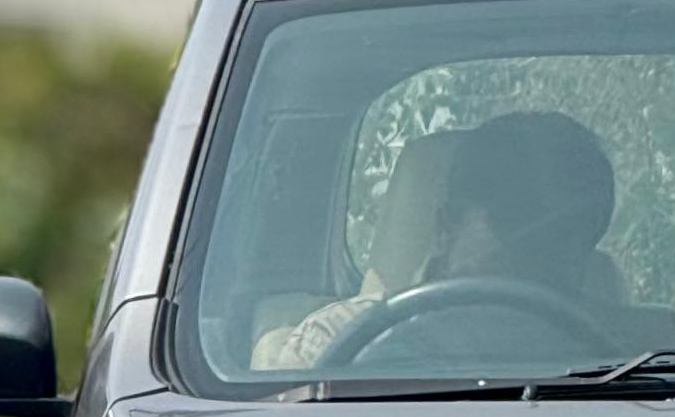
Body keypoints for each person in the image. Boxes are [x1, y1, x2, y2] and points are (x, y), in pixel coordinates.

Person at [253, 109, 616, 374]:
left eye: (562, 235)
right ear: (448, 227)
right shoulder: (333, 344)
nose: (535, 249)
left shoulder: (627, 364)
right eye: (513, 221)